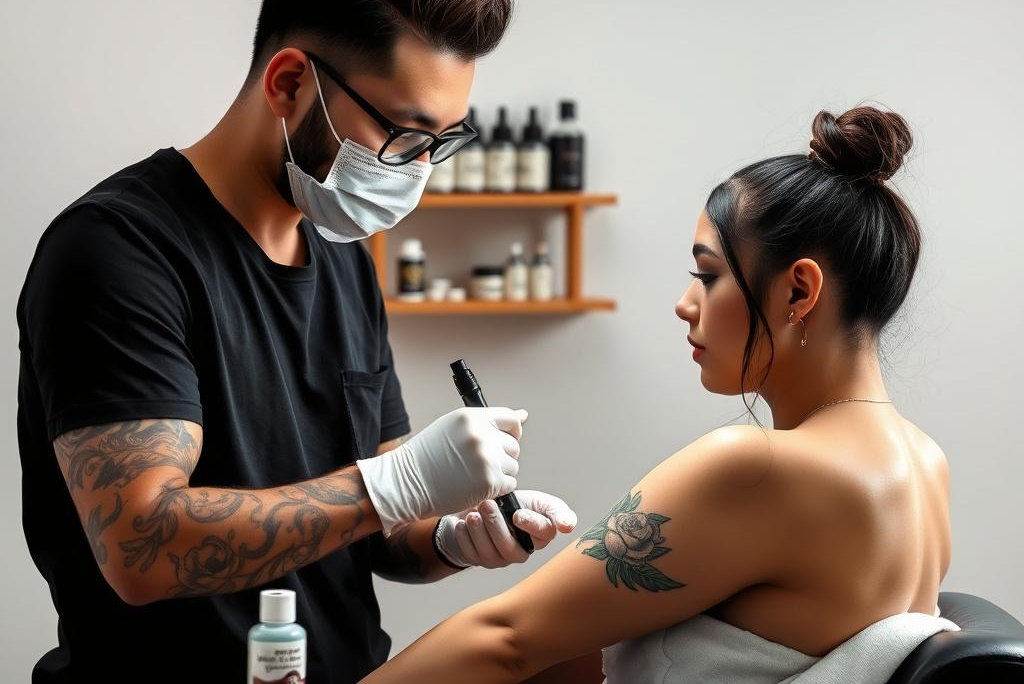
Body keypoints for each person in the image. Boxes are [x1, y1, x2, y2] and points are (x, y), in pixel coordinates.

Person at [15, 0, 576, 682]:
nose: (418, 171)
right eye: (404, 135)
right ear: (288, 84)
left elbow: (372, 531)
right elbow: (141, 548)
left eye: (440, 143)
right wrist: (395, 483)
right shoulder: (119, 251)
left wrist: (447, 534)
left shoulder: (341, 259)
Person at [359, 106, 952, 683]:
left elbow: (507, 640)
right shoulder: (927, 463)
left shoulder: (757, 467)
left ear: (798, 290)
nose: (684, 303)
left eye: (708, 275)